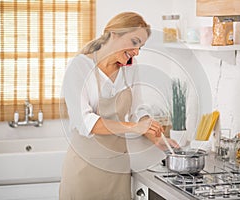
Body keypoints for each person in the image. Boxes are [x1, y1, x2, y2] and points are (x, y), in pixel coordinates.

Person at [59, 12, 178, 200]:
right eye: (134, 42)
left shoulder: (130, 67)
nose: (136, 51)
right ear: (114, 34)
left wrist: (153, 135)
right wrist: (135, 127)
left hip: (118, 170)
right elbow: (85, 122)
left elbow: (137, 110)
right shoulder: (80, 67)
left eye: (140, 46)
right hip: (85, 171)